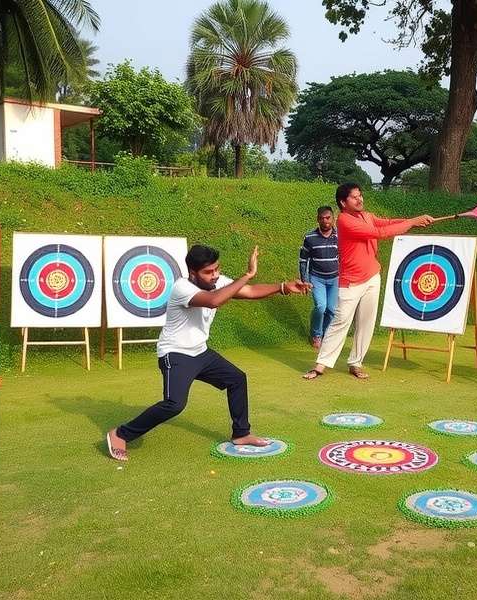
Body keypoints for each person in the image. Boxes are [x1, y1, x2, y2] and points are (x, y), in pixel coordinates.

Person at [106, 244, 311, 461]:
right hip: (175, 354)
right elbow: (214, 301)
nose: (215, 276)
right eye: (208, 272)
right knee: (174, 405)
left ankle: (241, 433)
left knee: (237, 379)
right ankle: (120, 434)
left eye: (217, 269)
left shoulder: (218, 282)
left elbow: (248, 291)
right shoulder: (182, 288)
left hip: (201, 353)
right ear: (193, 273)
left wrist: (283, 287)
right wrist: (248, 274)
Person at [302, 182, 434, 380]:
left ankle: (356, 362)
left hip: (372, 276)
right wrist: (412, 222)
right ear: (343, 202)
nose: (360, 199)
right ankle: (321, 365)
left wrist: (413, 220)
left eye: (360, 195)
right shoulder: (345, 221)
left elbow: (387, 223)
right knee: (340, 321)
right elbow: (379, 233)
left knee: (366, 323)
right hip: (350, 281)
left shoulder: (367, 216)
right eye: (354, 197)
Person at [299, 206, 339, 349]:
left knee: (332, 309)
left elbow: (345, 257)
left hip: (335, 279)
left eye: (328, 218)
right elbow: (303, 260)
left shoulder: (339, 236)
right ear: (317, 219)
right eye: (322, 218)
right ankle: (316, 334)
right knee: (321, 306)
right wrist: (304, 280)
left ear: (333, 218)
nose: (325, 221)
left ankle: (325, 333)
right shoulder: (310, 237)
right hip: (317, 278)